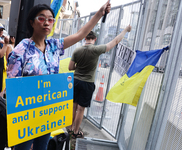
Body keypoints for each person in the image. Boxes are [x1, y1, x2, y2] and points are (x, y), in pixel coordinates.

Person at [6, 1, 111, 150]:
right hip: (26, 116)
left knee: (42, 147)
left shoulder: (54, 46)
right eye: (41, 19)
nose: (47, 23)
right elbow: (13, 85)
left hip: (47, 113)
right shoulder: (22, 48)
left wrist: (99, 14)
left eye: (50, 19)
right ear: (32, 22)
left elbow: (80, 34)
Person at [68, 25, 132, 138]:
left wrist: (79, 67)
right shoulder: (97, 50)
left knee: (73, 106)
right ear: (95, 39)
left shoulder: (77, 50)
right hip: (87, 83)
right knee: (81, 109)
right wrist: (126, 30)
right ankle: (76, 132)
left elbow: (70, 67)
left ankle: (70, 128)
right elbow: (115, 41)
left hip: (76, 81)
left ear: (84, 38)